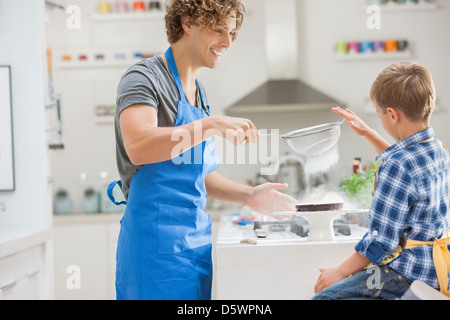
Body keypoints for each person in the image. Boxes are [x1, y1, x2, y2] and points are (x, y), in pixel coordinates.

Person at [107, 0, 298, 300]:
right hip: (154, 253)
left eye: (231, 33)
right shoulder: (144, 78)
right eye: (218, 30)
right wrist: (210, 125)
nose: (226, 42)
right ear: (187, 23)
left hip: (196, 247)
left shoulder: (199, 93)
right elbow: (139, 146)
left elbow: (194, 173)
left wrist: (249, 196)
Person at [312, 62, 450, 300]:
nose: (379, 120)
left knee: (323, 299)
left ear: (393, 114)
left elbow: (382, 241)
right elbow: (409, 169)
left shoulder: (396, 165)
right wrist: (369, 133)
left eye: (379, 114)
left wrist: (340, 272)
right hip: (438, 269)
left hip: (407, 273)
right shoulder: (438, 149)